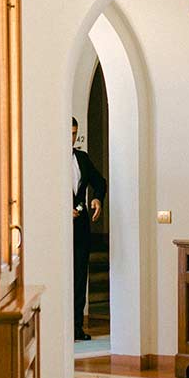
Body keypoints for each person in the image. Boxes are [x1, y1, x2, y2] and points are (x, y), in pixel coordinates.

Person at [72, 117, 106, 340]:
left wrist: (97, 199)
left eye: (75, 133)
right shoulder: (49, 160)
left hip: (81, 227)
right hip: (56, 231)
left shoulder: (82, 158)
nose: (72, 138)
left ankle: (76, 327)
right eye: (68, 133)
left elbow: (99, 182)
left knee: (79, 276)